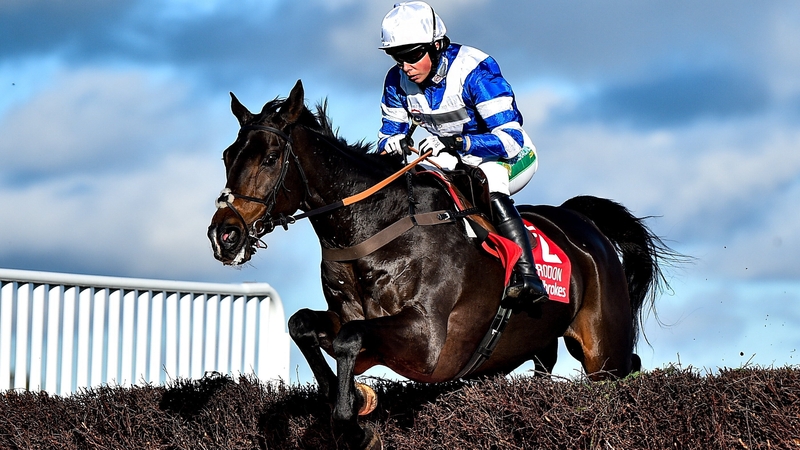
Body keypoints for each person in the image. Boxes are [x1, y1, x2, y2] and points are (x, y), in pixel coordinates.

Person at [374, 1, 548, 306]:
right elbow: (389, 136)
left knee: (489, 180)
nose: (405, 66)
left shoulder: (476, 71)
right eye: (396, 57)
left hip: (507, 157)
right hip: (452, 156)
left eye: (413, 55)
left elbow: (511, 139)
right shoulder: (396, 82)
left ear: (437, 45)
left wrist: (460, 143)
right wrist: (394, 146)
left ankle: (527, 276)